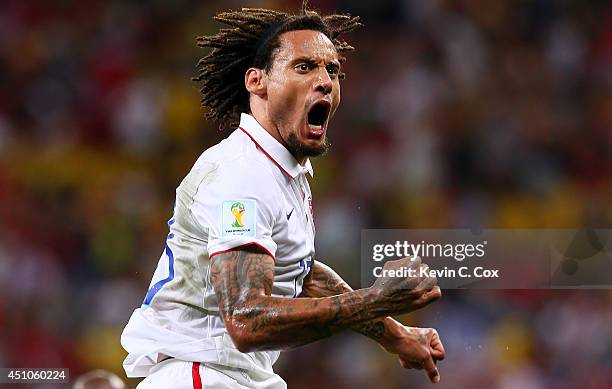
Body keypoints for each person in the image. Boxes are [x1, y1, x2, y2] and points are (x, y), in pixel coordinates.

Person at [121, 3, 445, 388]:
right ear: (257, 81)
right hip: (202, 373)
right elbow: (247, 321)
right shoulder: (241, 175)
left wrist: (395, 335)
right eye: (304, 67)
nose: (325, 80)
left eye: (333, 70)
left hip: (233, 376)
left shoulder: (281, 170)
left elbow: (299, 273)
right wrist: (376, 300)